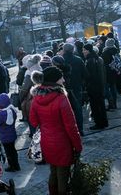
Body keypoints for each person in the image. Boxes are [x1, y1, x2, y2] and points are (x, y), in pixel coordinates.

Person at [29, 67, 83, 195]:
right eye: (61, 77)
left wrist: (46, 125)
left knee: (53, 172)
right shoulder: (61, 98)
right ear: (54, 80)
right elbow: (71, 126)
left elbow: (33, 121)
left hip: (47, 142)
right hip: (63, 144)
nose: (63, 80)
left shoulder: (36, 98)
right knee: (63, 176)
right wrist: (78, 146)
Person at [62, 43, 87, 136]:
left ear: (64, 50)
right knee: (78, 109)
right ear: (73, 50)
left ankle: (69, 131)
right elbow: (85, 74)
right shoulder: (78, 59)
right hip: (76, 87)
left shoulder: (61, 60)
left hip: (63, 89)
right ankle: (80, 129)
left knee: (65, 111)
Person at [83, 43, 108, 130]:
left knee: (95, 106)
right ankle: (104, 122)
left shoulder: (90, 60)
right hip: (99, 85)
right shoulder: (97, 58)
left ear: (88, 50)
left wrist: (87, 84)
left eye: (84, 50)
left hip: (94, 87)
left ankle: (99, 123)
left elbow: (90, 75)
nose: (83, 52)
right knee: (100, 105)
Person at [0, 93, 20, 172]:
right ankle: (16, 165)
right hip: (12, 134)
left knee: (8, 152)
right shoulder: (12, 110)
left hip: (5, 137)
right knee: (13, 150)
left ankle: (11, 166)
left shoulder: (1, 114)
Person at [19, 54, 42, 137]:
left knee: (32, 121)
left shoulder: (29, 75)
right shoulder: (42, 70)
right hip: (42, 99)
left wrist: (20, 99)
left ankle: (34, 136)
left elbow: (24, 90)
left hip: (32, 101)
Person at [101, 38, 120, 110]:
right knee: (113, 88)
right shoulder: (116, 51)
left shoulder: (105, 52)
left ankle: (111, 104)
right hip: (114, 72)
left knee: (106, 89)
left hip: (107, 73)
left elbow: (103, 63)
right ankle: (114, 104)